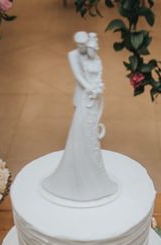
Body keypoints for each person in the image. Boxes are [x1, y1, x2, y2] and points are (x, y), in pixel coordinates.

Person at [42, 33, 118, 202]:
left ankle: (90, 164)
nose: (85, 51)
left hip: (93, 96)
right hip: (85, 95)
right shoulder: (74, 56)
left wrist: (97, 89)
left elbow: (98, 77)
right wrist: (90, 88)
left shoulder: (96, 60)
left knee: (89, 129)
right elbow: (78, 75)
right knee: (80, 127)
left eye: (88, 48)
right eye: (83, 47)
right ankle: (77, 163)